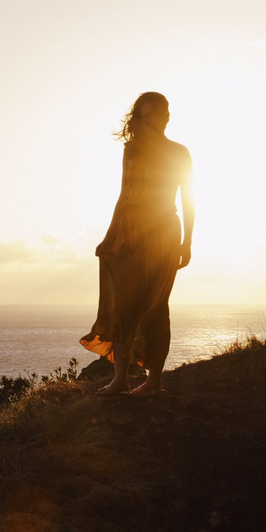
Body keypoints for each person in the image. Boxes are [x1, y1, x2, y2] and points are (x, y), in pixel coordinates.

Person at [81, 91, 195, 395]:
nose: (158, 120)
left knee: (155, 307)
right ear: (139, 119)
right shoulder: (131, 150)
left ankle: (153, 382)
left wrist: (188, 242)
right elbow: (123, 195)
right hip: (129, 232)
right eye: (149, 116)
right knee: (121, 305)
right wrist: (109, 235)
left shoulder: (179, 152)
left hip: (163, 233)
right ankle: (119, 379)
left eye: (163, 113)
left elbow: (189, 199)